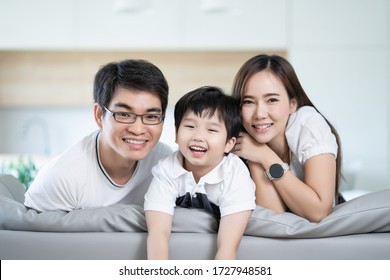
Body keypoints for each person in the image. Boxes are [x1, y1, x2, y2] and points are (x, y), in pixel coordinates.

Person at [24, 59, 172, 212]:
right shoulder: (62, 177)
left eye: (151, 116)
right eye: (124, 114)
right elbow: (29, 233)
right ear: (99, 115)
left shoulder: (166, 164)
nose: (138, 129)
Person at [144, 86, 256, 260]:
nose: (198, 136)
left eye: (211, 130)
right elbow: (158, 234)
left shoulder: (235, 174)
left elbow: (227, 248)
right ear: (176, 133)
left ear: (229, 143)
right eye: (190, 126)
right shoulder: (166, 169)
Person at [231, 54, 343, 223]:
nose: (260, 114)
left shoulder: (308, 124)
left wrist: (265, 156)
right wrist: (255, 158)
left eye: (272, 100)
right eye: (248, 102)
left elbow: (319, 212)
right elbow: (276, 219)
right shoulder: (241, 139)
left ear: (292, 104)